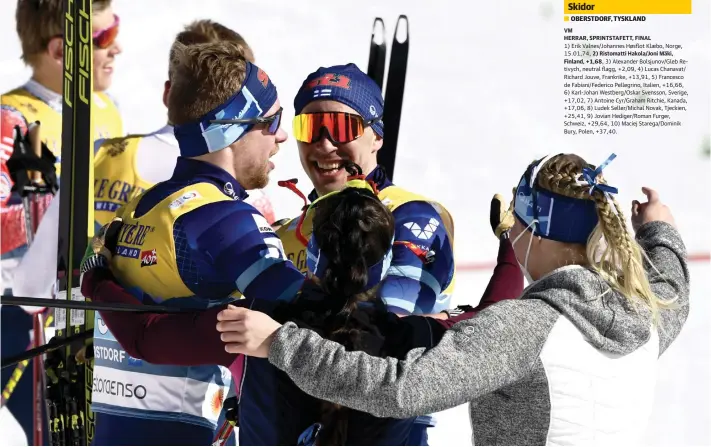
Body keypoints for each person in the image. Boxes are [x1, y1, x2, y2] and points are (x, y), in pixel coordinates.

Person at [216, 153, 690, 445]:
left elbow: (401, 389)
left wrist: (282, 344)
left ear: (537, 234)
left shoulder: (524, 327)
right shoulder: (643, 316)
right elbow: (674, 292)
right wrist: (658, 229)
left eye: (518, 224)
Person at [79, 166, 523, 444]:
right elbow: (498, 315)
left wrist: (97, 277)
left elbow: (146, 338)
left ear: (310, 256)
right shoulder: (415, 336)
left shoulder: (258, 325)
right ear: (386, 262)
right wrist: (510, 242)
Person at [81, 39, 304, 446]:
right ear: (230, 131)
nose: (283, 136)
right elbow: (310, 312)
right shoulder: (225, 219)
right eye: (270, 122)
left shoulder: (138, 209)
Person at [277, 64, 458, 442]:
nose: (324, 144)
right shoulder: (293, 227)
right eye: (310, 128)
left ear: (376, 136)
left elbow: (385, 334)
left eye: (341, 128)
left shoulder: (409, 216)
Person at [0, 1, 123, 443]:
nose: (118, 48)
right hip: (22, 317)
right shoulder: (10, 119)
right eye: (105, 39)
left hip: (85, 310)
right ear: (60, 49)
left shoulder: (105, 108)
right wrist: (39, 211)